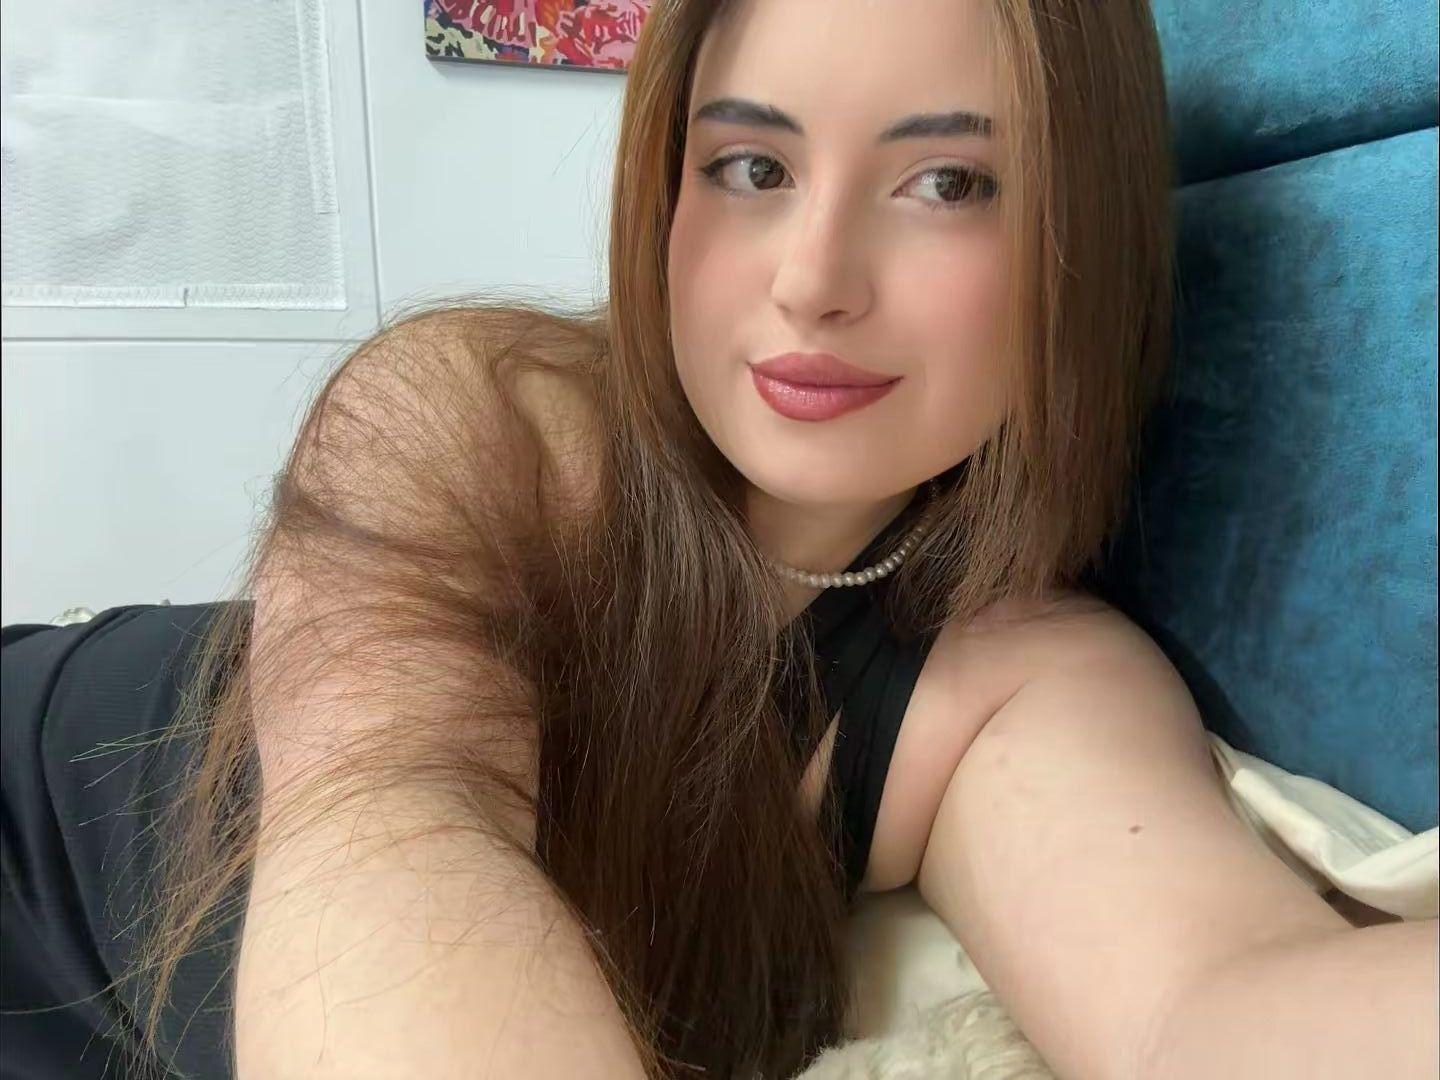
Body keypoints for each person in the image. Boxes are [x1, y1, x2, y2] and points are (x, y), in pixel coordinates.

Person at [5, 1, 1401, 1078]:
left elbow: (1208, 1010)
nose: (812, 280)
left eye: (947, 183)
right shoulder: (473, 416)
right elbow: (392, 818)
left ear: (1078, 241)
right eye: (750, 165)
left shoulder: (1017, 678)